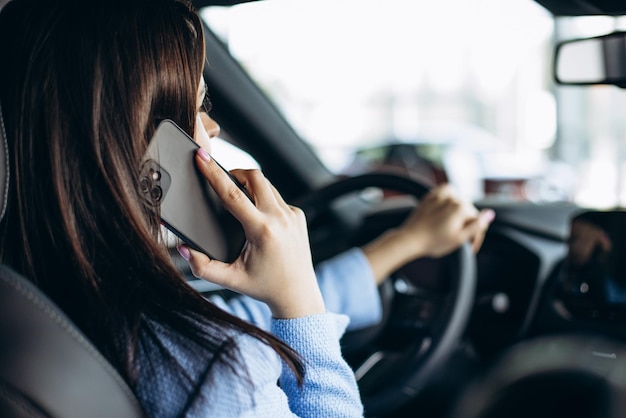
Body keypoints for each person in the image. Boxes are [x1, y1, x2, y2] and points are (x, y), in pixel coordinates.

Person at [0, 1, 492, 418]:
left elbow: (238, 315)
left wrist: (400, 246)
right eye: (197, 106)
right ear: (143, 152)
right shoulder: (221, 374)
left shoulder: (44, 293)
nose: (211, 127)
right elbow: (237, 336)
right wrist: (299, 307)